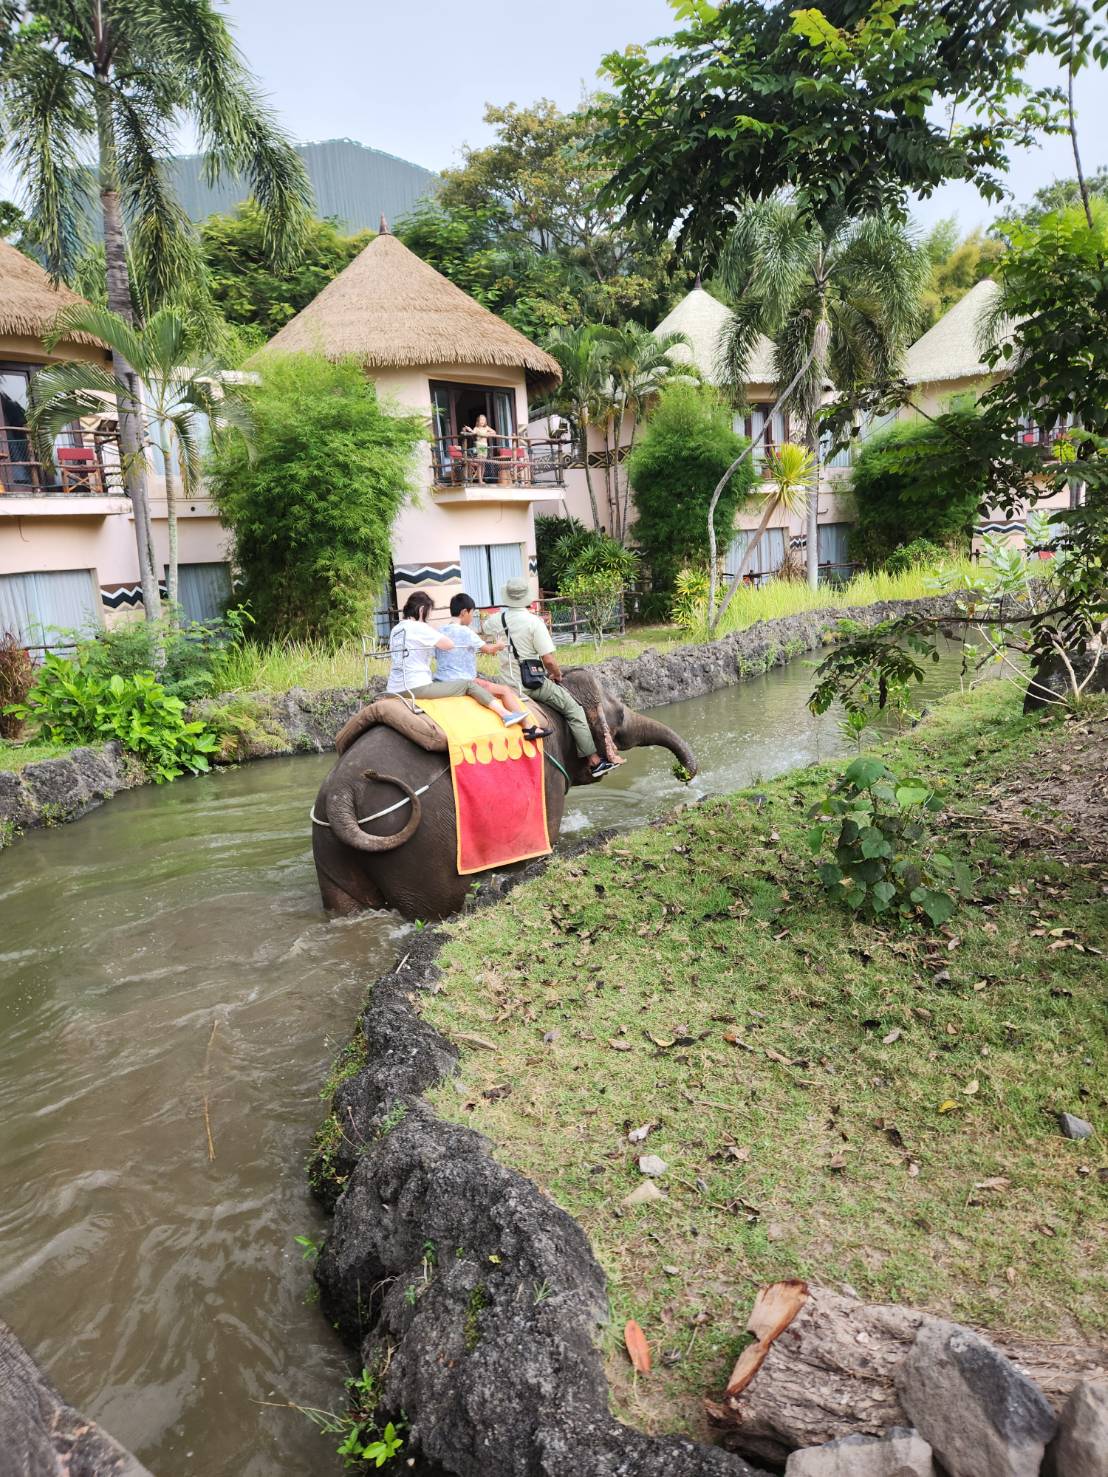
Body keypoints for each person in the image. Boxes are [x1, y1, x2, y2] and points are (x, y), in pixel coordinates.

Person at [485, 576, 618, 777]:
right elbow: (548, 660)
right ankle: (594, 760)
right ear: (526, 598)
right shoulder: (533, 622)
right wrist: (556, 674)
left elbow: (483, 632)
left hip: (507, 685)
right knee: (574, 710)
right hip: (531, 684)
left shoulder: (496, 620)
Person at [386, 592, 527, 726]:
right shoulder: (420, 627)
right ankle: (506, 715)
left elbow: (433, 652)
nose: (428, 619)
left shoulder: (396, 629)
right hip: (415, 687)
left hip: (393, 687)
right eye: (428, 615)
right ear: (422, 610)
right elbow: (449, 645)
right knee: (468, 685)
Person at [436, 592, 553, 741]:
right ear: (464, 612)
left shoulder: (440, 631)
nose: (472, 618)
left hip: (442, 681)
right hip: (464, 681)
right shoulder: (465, 631)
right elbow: (488, 650)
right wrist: (499, 645)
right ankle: (528, 727)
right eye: (472, 613)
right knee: (505, 690)